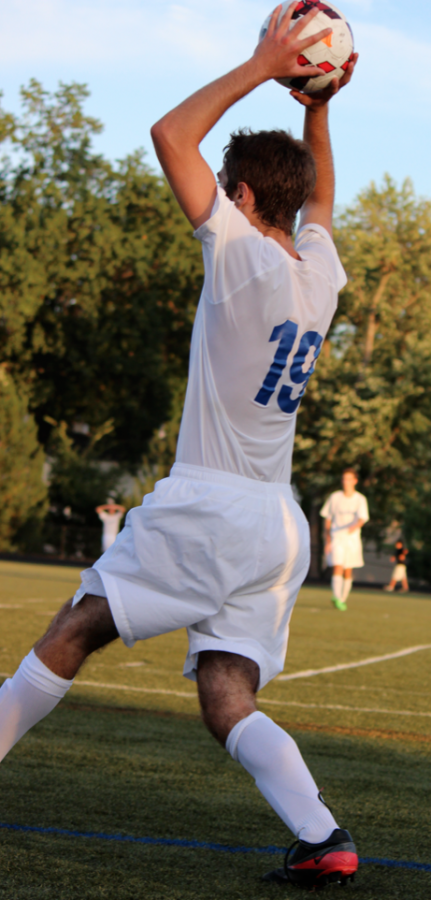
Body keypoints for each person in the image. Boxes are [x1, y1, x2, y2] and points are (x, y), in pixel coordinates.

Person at [0, 6, 359, 891]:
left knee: (74, 628)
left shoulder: (238, 253)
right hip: (275, 525)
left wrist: (262, 61)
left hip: (211, 503)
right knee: (224, 696)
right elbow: (317, 200)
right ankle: (323, 838)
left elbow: (170, 133)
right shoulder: (319, 277)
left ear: (238, 197)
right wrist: (317, 100)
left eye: (225, 189)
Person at [321, 469, 369, 611]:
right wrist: (327, 539)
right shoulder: (334, 497)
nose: (346, 482)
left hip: (352, 539)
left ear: (355, 481)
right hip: (337, 537)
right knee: (337, 565)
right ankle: (336, 596)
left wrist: (354, 527)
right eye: (344, 479)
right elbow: (327, 518)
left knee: (348, 570)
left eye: (349, 479)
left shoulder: (360, 499)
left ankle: (342, 599)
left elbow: (362, 518)